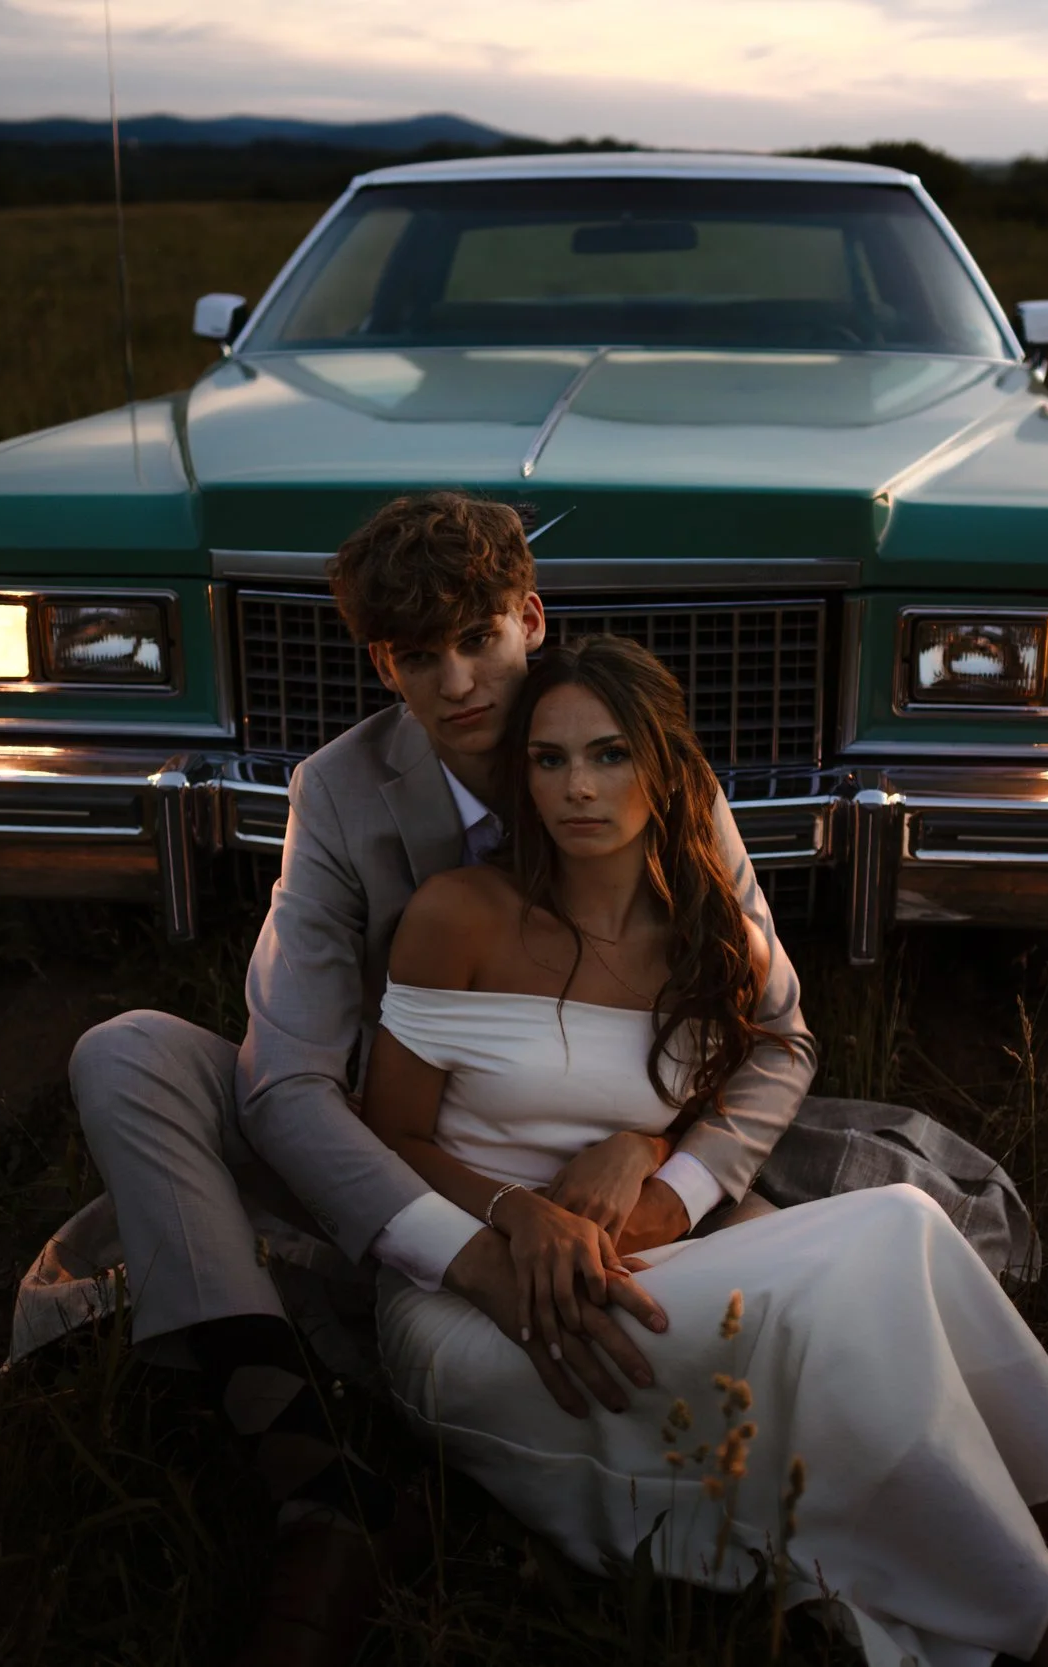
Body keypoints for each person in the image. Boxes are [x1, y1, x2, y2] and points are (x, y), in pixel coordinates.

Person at [361, 635, 1048, 1667]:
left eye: (609, 755)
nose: (578, 787)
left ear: (664, 768)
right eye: (549, 759)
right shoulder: (462, 914)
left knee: (905, 1242)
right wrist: (511, 1212)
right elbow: (388, 1130)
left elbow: (722, 1080)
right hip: (487, 1303)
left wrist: (646, 1144)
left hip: (649, 1265)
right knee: (870, 1262)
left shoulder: (707, 937)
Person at [66, 493, 819, 1667]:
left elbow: (775, 1033)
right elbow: (287, 1078)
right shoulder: (338, 791)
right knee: (127, 1050)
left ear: (530, 616)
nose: (460, 680)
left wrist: (659, 1162)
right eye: (420, 657)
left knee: (782, 1334)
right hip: (398, 1143)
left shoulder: (636, 758)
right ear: (385, 664)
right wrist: (483, 1240)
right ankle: (310, 1470)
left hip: (611, 1145)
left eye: (479, 638)